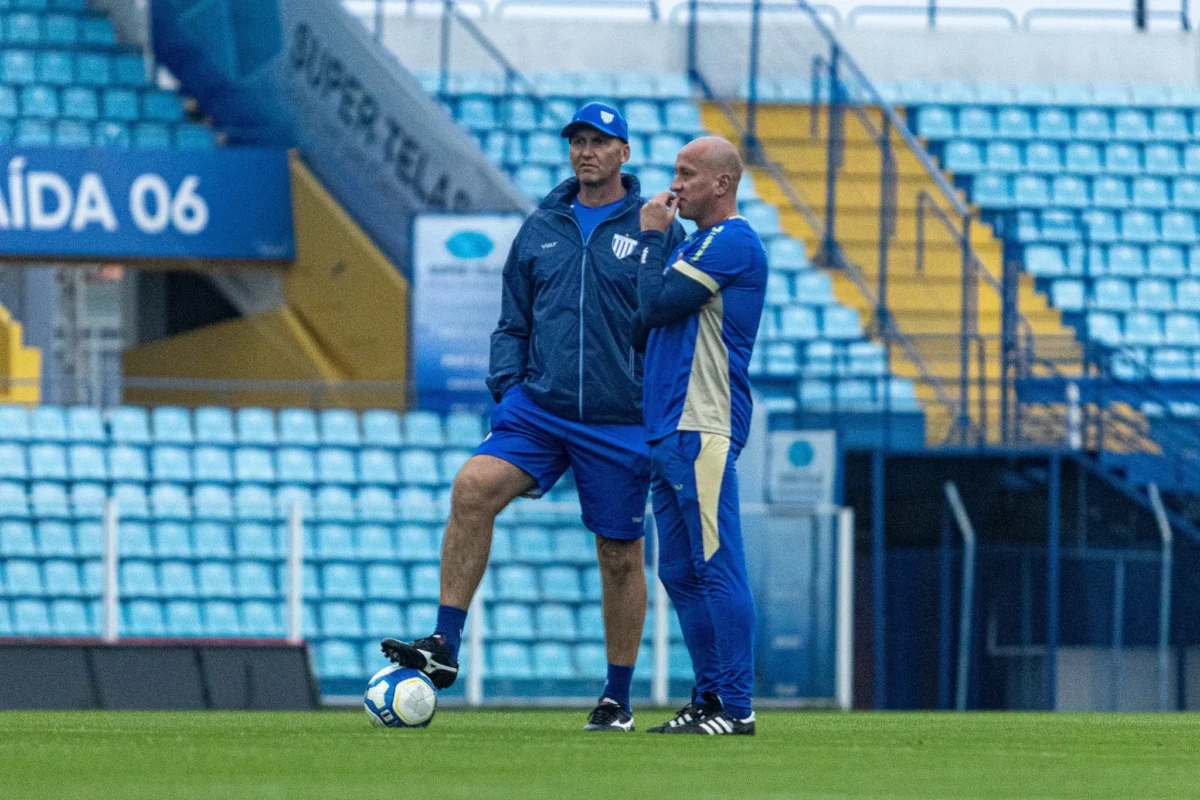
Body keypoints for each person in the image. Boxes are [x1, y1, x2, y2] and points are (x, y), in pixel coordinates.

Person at [382, 102, 685, 732]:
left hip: (619, 419)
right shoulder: (540, 225)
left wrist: (657, 406)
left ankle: (616, 698)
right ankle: (444, 644)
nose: (586, 151)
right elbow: (512, 320)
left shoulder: (655, 225)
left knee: (619, 555)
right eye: (577, 140)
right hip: (539, 411)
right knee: (472, 488)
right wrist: (507, 387)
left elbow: (673, 320)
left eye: (600, 141)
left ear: (624, 152)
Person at [633, 136, 767, 735]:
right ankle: (710, 697)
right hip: (667, 427)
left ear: (722, 184)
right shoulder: (697, 244)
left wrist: (649, 237)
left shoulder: (731, 240)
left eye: (687, 174)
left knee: (715, 564)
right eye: (674, 173)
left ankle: (735, 707)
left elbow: (654, 304)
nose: (676, 184)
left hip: (701, 422)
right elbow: (645, 320)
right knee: (681, 572)